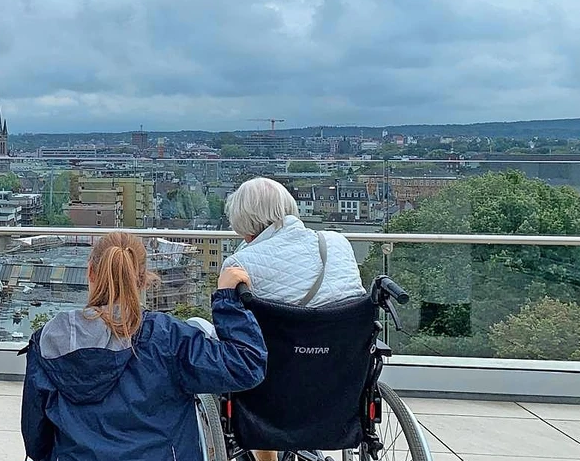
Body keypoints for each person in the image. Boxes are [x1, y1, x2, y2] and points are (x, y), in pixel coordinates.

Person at [21, 232, 267, 461]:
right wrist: (228, 301)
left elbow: (37, 443)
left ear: (90, 272)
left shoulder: (49, 341)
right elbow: (246, 364)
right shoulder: (167, 337)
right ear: (143, 279)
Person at [223, 177, 367, 461]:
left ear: (243, 221)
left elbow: (229, 331)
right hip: (341, 379)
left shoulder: (240, 265)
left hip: (274, 391)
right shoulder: (338, 243)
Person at [222, 177, 366, 308]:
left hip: (282, 337)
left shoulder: (237, 265)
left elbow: (232, 326)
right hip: (353, 334)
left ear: (243, 220)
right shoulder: (338, 241)